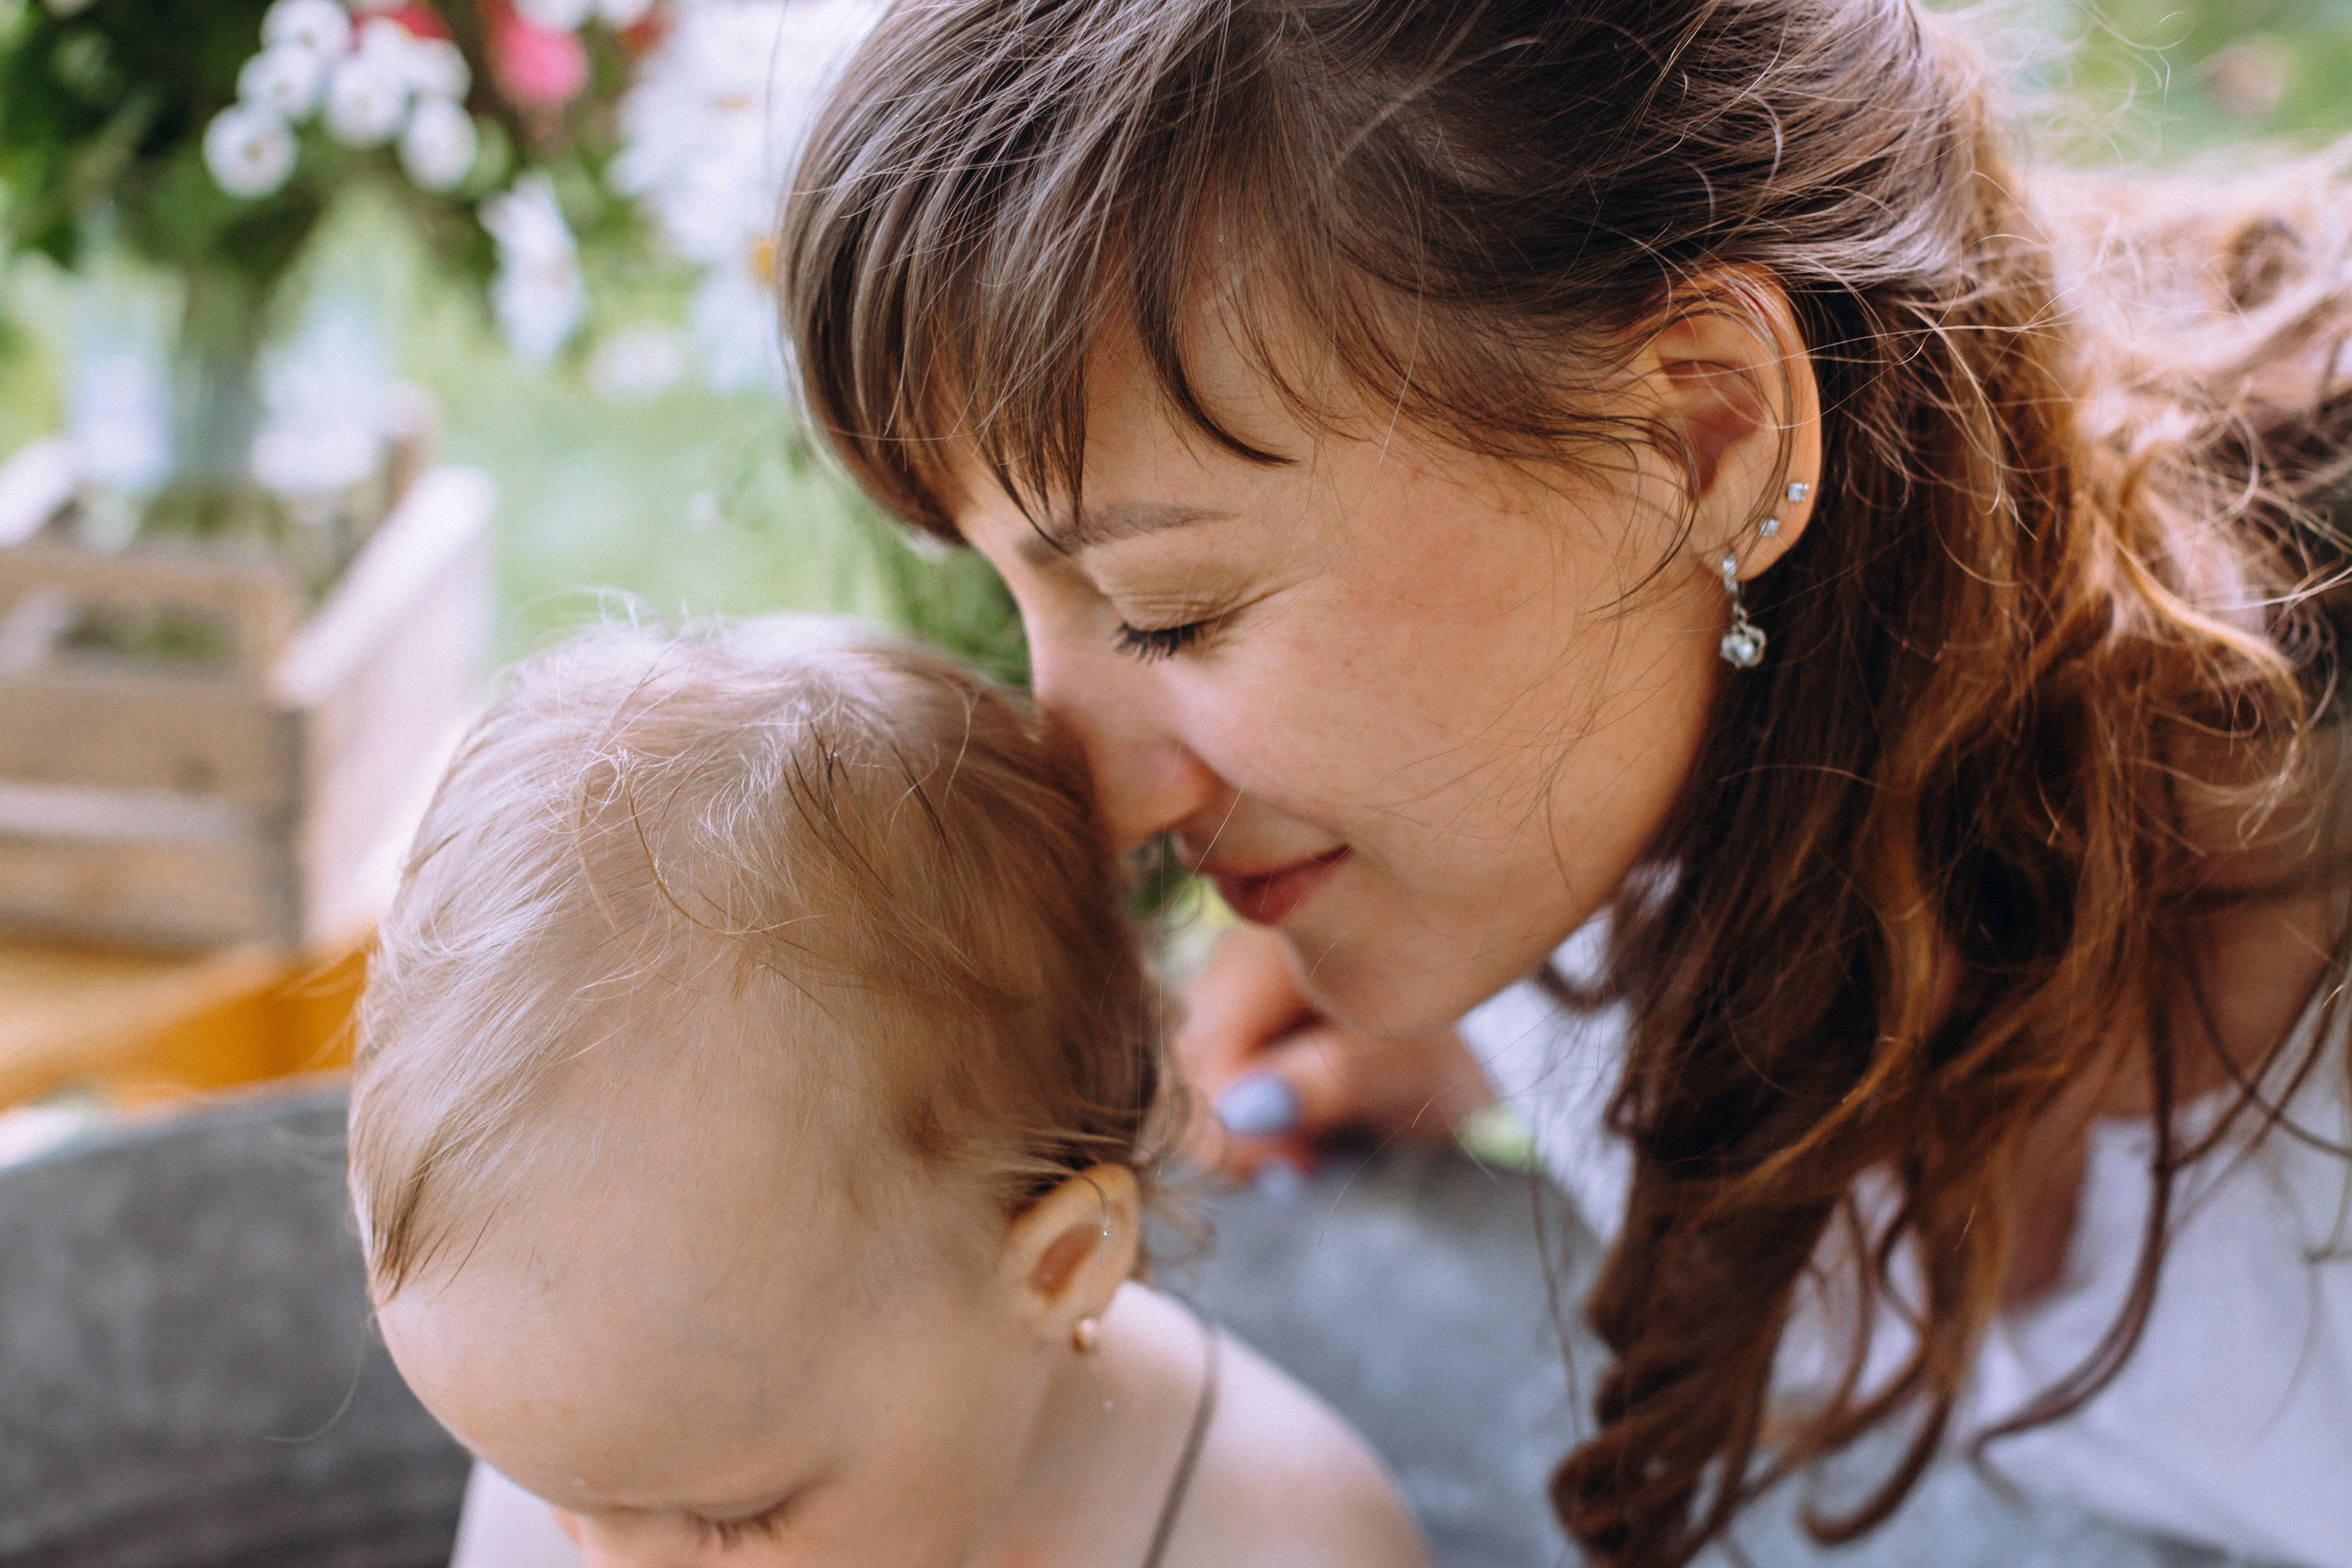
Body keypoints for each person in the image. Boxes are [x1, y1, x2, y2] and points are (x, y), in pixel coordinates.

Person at [778, 1, 2352, 1564]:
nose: (1096, 796)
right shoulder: (1633, 779)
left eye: (1170, 612)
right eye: (1013, 597)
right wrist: (1516, 1027)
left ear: (1706, 433)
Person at [346, 618, 1430, 1568]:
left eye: (734, 1521)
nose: (606, 1563)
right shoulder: (605, 1450)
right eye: (547, 1491)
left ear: (1059, 1265)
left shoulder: (1281, 1540)